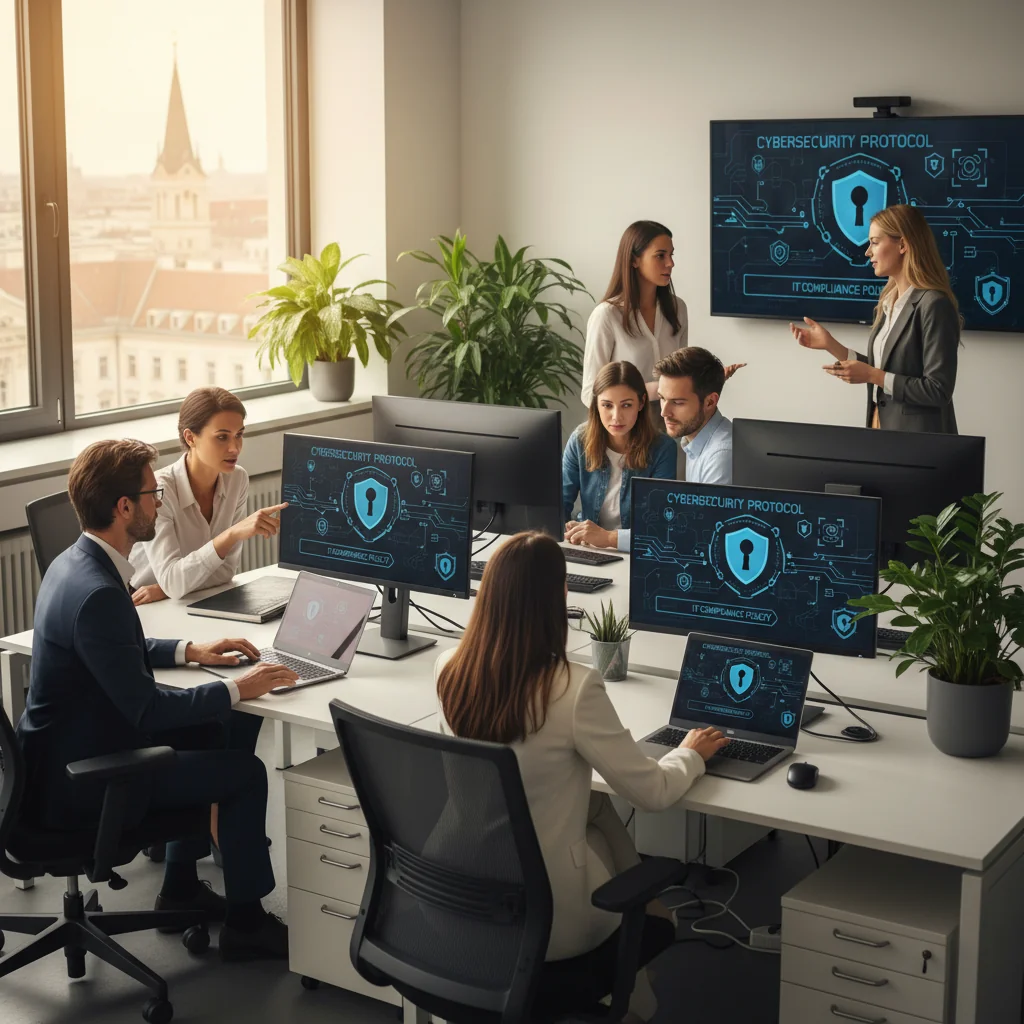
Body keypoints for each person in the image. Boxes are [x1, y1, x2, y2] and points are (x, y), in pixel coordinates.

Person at [16, 439, 299, 961]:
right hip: (86, 783)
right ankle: (246, 925)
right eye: (153, 494)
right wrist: (240, 687)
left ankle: (180, 887)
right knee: (244, 772)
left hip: (57, 758)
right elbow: (148, 710)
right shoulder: (100, 593)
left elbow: (115, 649)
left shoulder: (74, 564)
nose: (160, 502)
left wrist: (191, 650)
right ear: (125, 507)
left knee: (211, 731)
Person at [435, 533, 727, 1021]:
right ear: (559, 597)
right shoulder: (572, 689)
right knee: (600, 819)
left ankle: (637, 987)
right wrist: (690, 755)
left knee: (595, 808)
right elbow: (653, 793)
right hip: (550, 925)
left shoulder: (449, 668)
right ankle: (640, 959)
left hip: (460, 899)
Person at [790, 203, 961, 433]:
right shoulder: (888, 303)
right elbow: (882, 368)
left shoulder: (934, 305)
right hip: (880, 426)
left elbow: (938, 390)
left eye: (875, 242)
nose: (867, 252)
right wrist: (831, 345)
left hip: (919, 441)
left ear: (902, 245)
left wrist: (873, 376)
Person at [130, 387, 288, 605]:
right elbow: (174, 582)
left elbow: (225, 573)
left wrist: (167, 588)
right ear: (190, 438)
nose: (235, 448)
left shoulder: (237, 479)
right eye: (222, 437)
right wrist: (231, 535)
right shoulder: (159, 491)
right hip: (145, 604)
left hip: (186, 598)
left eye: (239, 435)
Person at [581, 220, 744, 407]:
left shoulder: (677, 309)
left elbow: (680, 376)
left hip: (671, 421)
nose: (670, 263)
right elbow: (590, 393)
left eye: (671, 255)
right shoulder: (607, 315)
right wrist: (658, 389)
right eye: (660, 256)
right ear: (634, 260)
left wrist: (706, 380)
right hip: (624, 423)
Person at [587, 347, 733, 553]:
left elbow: (701, 533)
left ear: (710, 402)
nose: (664, 412)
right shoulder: (695, 442)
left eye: (677, 402)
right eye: (663, 398)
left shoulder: (721, 455)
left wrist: (610, 538)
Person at [562, 360, 677, 551]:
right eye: (607, 405)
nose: (616, 416)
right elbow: (560, 505)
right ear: (596, 404)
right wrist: (567, 531)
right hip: (589, 548)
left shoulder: (662, 449)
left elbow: (659, 526)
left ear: (641, 403)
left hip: (637, 553)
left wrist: (608, 538)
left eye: (626, 405)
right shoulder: (580, 440)